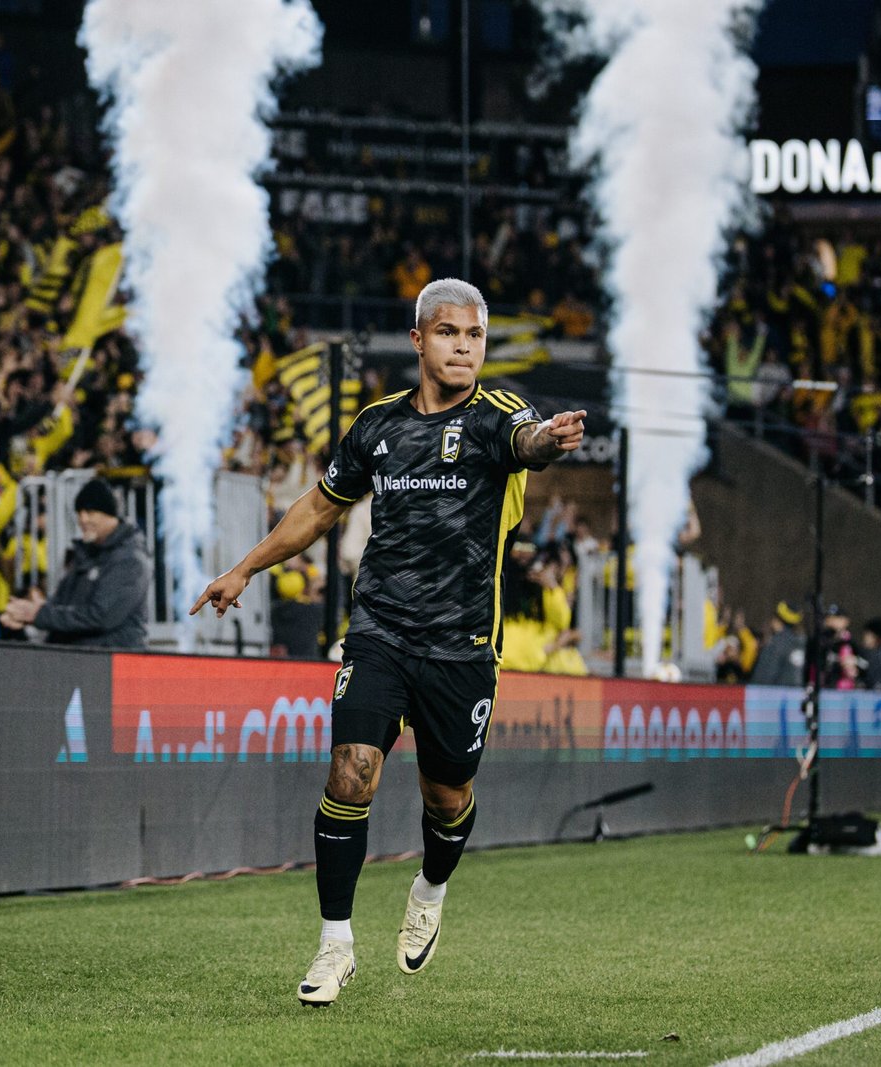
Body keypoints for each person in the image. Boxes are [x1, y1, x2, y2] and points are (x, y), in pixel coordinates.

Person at [190, 278, 586, 1006]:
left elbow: (526, 443)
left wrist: (548, 439)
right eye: (448, 333)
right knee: (351, 771)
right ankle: (335, 942)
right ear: (418, 340)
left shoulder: (501, 414)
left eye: (473, 335)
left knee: (447, 795)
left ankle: (431, 887)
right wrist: (244, 567)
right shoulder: (376, 427)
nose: (463, 347)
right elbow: (317, 506)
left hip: (462, 645)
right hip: (378, 630)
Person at [2, 478, 150, 650]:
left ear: (110, 514)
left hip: (113, 665)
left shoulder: (130, 560)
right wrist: (29, 612)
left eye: (90, 512)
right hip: (80, 660)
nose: (83, 519)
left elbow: (100, 617)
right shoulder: (85, 555)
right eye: (79, 513)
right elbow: (64, 605)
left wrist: (38, 615)